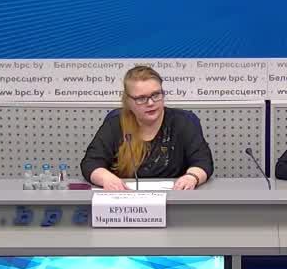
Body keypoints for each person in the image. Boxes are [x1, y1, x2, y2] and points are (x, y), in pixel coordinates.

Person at [80, 65, 213, 191]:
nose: (150, 103)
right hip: (126, 198)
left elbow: (203, 161)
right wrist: (106, 178)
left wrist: (192, 177)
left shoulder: (182, 122)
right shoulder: (115, 124)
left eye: (156, 95)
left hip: (175, 196)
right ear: (128, 101)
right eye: (141, 98)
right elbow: (90, 163)